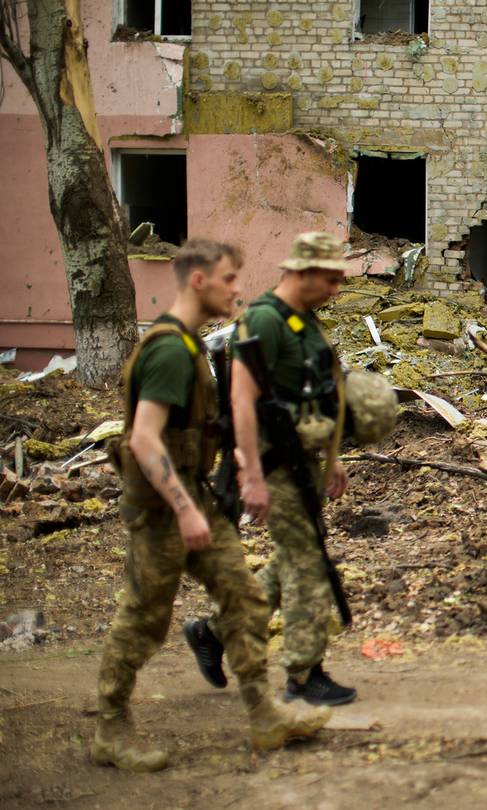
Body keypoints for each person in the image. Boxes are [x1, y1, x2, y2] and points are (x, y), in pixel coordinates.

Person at [94, 239, 330, 773]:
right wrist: (183, 509)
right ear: (199, 281)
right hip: (162, 508)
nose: (238, 289)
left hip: (194, 496)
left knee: (244, 598)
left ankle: (264, 714)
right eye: (228, 279)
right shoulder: (170, 352)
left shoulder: (191, 344)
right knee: (144, 618)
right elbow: (144, 440)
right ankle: (110, 727)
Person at [185, 232, 356, 706]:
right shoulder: (262, 319)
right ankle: (304, 674)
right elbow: (241, 399)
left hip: (303, 460)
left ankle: (214, 633)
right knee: (306, 564)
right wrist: (251, 476)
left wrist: (333, 458)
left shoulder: (305, 322)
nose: (335, 289)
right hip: (272, 463)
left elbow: (320, 392)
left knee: (293, 560)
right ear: (300, 272)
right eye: (330, 279)